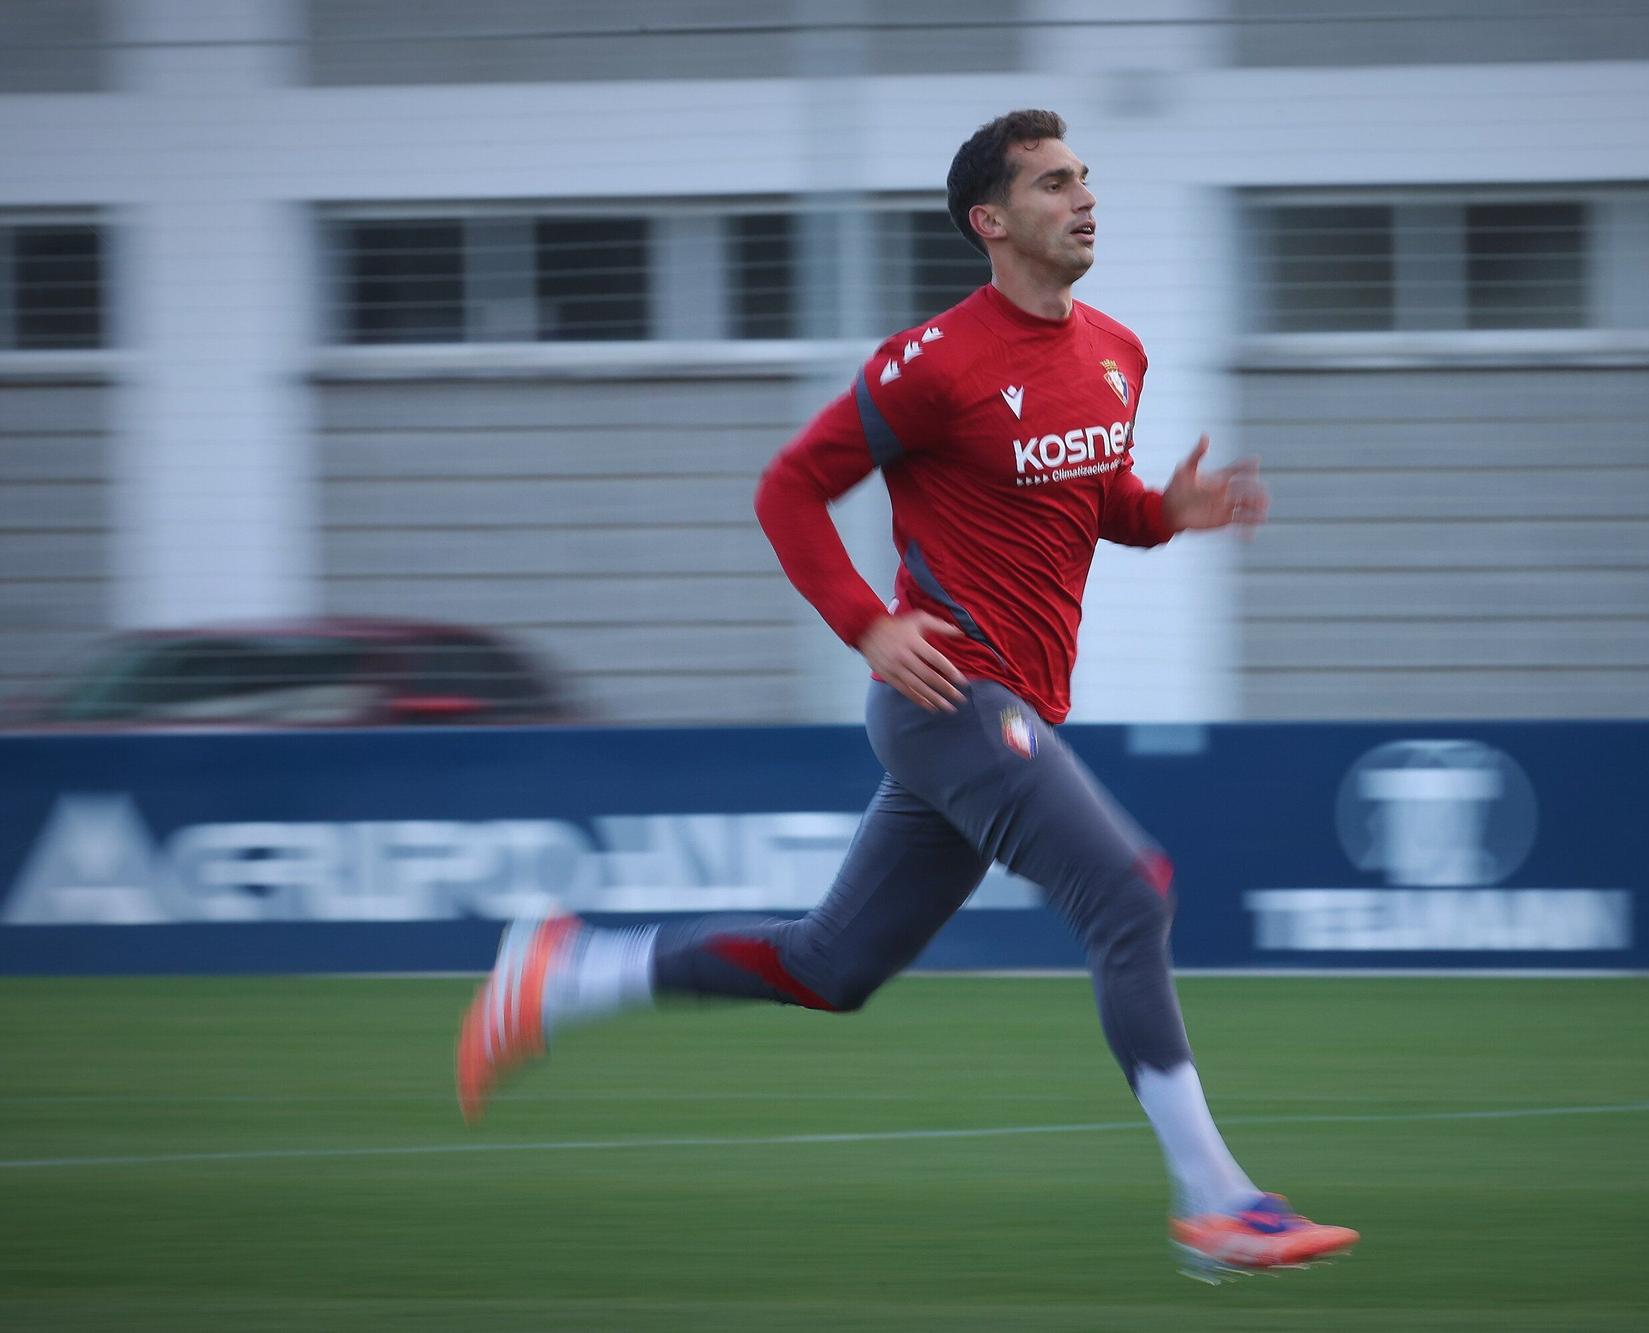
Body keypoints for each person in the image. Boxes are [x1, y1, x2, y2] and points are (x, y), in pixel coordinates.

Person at [456, 109, 1358, 1280]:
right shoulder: (929, 366)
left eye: (1084, 178)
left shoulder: (1117, 352)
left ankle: (570, 969)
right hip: (951, 696)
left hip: (1010, 709)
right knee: (1130, 895)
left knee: (832, 969)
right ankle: (1216, 1203)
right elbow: (788, 490)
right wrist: (866, 623)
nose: (1083, 199)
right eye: (1050, 184)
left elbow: (1086, 505)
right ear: (990, 222)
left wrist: (1159, 516)